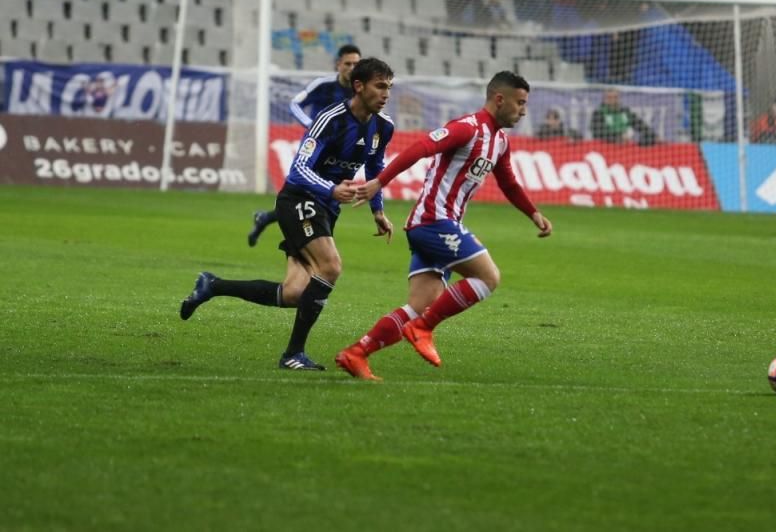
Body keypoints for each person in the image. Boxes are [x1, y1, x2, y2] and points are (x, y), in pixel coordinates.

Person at [334, 71, 553, 380]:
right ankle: (423, 330)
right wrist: (379, 182)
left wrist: (533, 213)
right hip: (433, 221)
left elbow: (509, 182)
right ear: (499, 99)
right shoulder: (467, 128)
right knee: (488, 277)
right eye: (520, 103)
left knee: (418, 306)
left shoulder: (500, 141)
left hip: (437, 224)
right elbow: (420, 148)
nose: (523, 111)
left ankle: (357, 353)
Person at [181, 58, 396, 371]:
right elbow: (297, 171)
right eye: (380, 86)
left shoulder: (384, 127)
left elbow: (376, 167)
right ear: (359, 86)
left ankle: (212, 285)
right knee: (331, 266)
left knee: (295, 293)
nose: (386, 93)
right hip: (298, 199)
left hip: (325, 208)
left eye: (389, 87)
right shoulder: (330, 119)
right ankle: (293, 354)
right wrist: (332, 189)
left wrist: (378, 210)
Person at [248, 44, 362, 247]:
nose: (352, 67)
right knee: (304, 189)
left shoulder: (359, 90)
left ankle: (267, 219)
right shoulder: (323, 85)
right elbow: (294, 103)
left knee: (325, 195)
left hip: (339, 152)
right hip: (316, 146)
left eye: (356, 64)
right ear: (338, 64)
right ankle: (302, 240)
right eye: (348, 63)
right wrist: (311, 125)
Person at [590, 89, 656, 146]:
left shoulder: (625, 112)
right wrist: (618, 138)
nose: (613, 100)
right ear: (604, 99)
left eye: (615, 97)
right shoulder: (598, 113)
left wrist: (651, 134)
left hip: (625, 148)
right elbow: (598, 133)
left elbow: (640, 124)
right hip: (607, 147)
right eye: (609, 98)